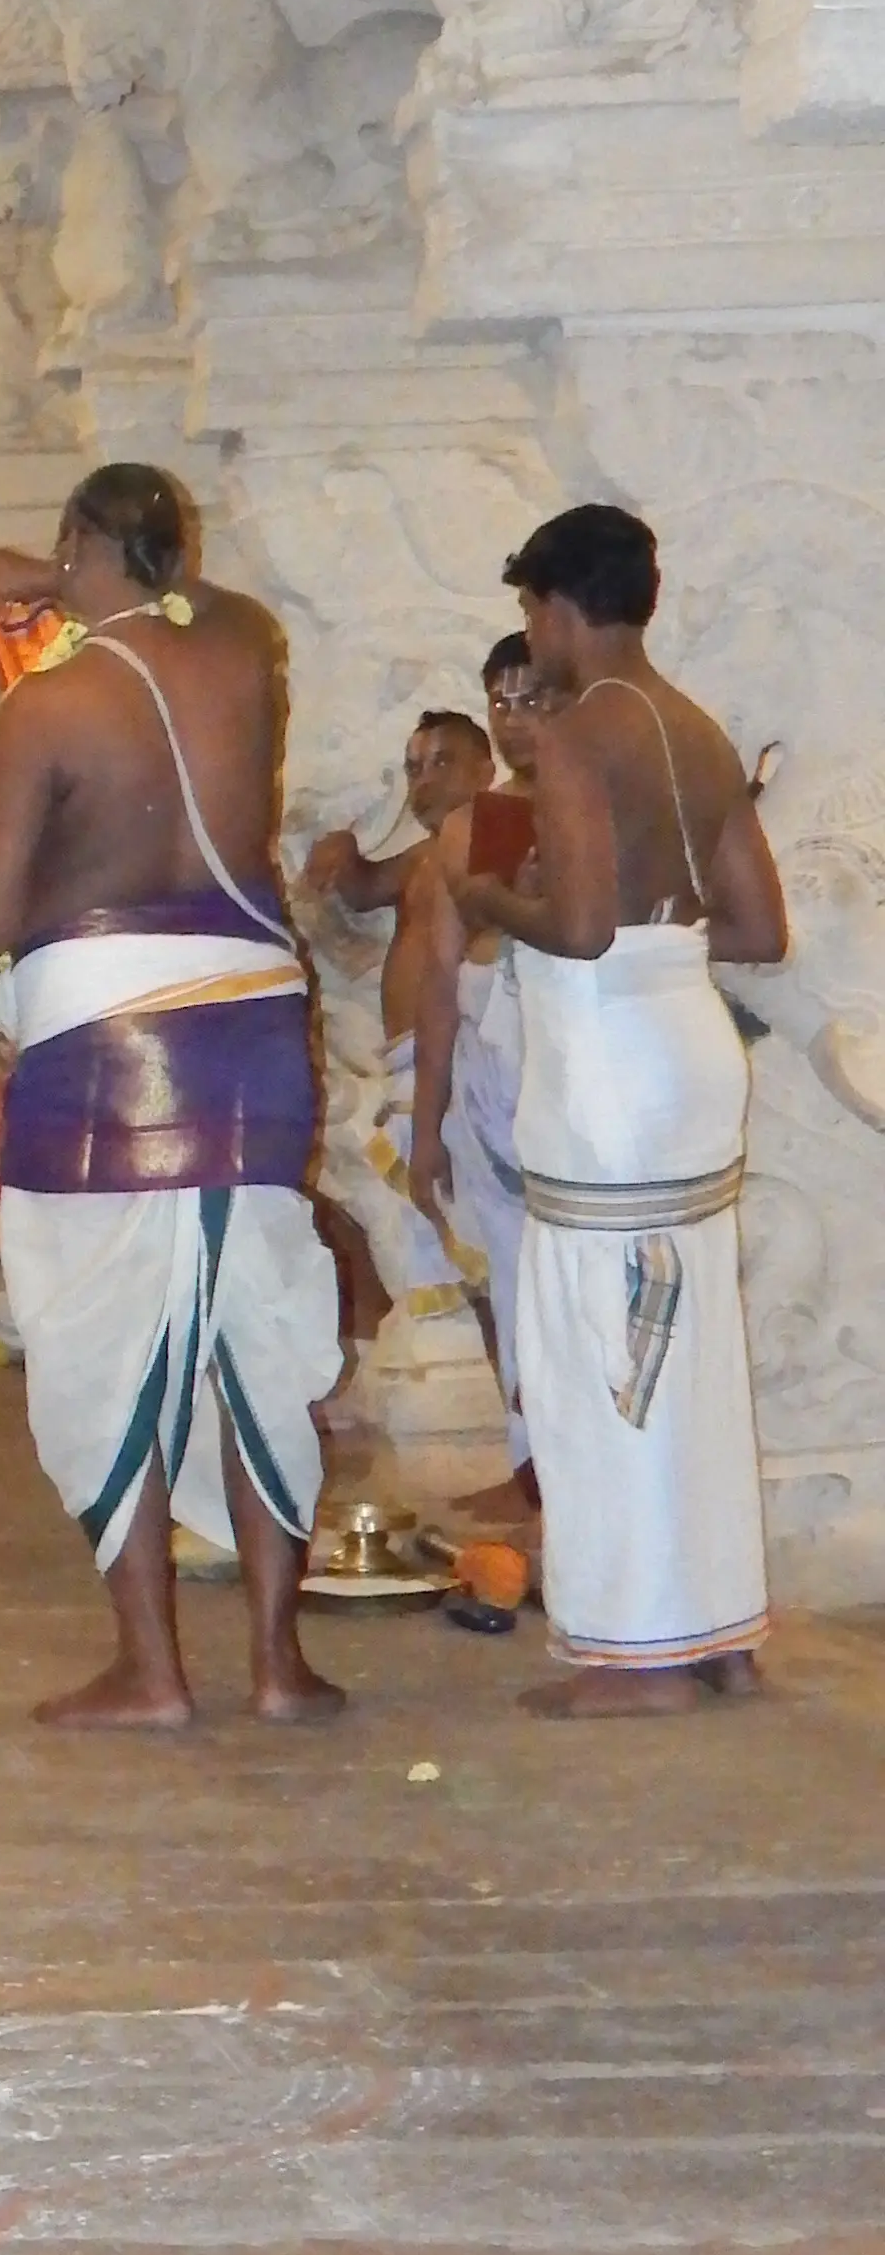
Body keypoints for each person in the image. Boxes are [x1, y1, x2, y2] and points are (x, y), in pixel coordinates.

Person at [0, 460, 342, 1729]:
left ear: (76, 548)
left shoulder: (46, 708)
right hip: (255, 1032)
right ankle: (278, 1665)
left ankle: (152, 1671)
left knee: (106, 1352)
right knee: (256, 1338)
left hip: (104, 1046)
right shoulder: (239, 647)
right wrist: (67, 569)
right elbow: (173, 596)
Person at [455, 504, 786, 1714]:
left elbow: (584, 929)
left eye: (530, 614)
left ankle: (639, 1656)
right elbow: (756, 929)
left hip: (607, 1067)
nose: (529, 640)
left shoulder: (584, 730)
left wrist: (490, 893)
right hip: (687, 1049)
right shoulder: (697, 730)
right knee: (684, 1345)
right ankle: (718, 1638)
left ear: (558, 609)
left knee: (604, 1351)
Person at [407, 641, 548, 1526]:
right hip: (495, 1061)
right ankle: (536, 1466)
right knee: (510, 1271)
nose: (512, 714)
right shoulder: (471, 828)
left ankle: (576, 1468)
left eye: (528, 698)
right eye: (499, 701)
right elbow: (439, 988)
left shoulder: (608, 800)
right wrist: (428, 1128)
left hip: (582, 1068)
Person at [302, 706, 496, 1349]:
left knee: (455, 1201)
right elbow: (360, 891)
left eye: (443, 763)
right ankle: (448, 1329)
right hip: (406, 1057)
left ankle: (475, 1335)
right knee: (418, 1195)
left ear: (484, 769)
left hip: (459, 1053)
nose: (425, 782)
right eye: (414, 768)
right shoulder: (421, 858)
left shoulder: (498, 843)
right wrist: (345, 855)